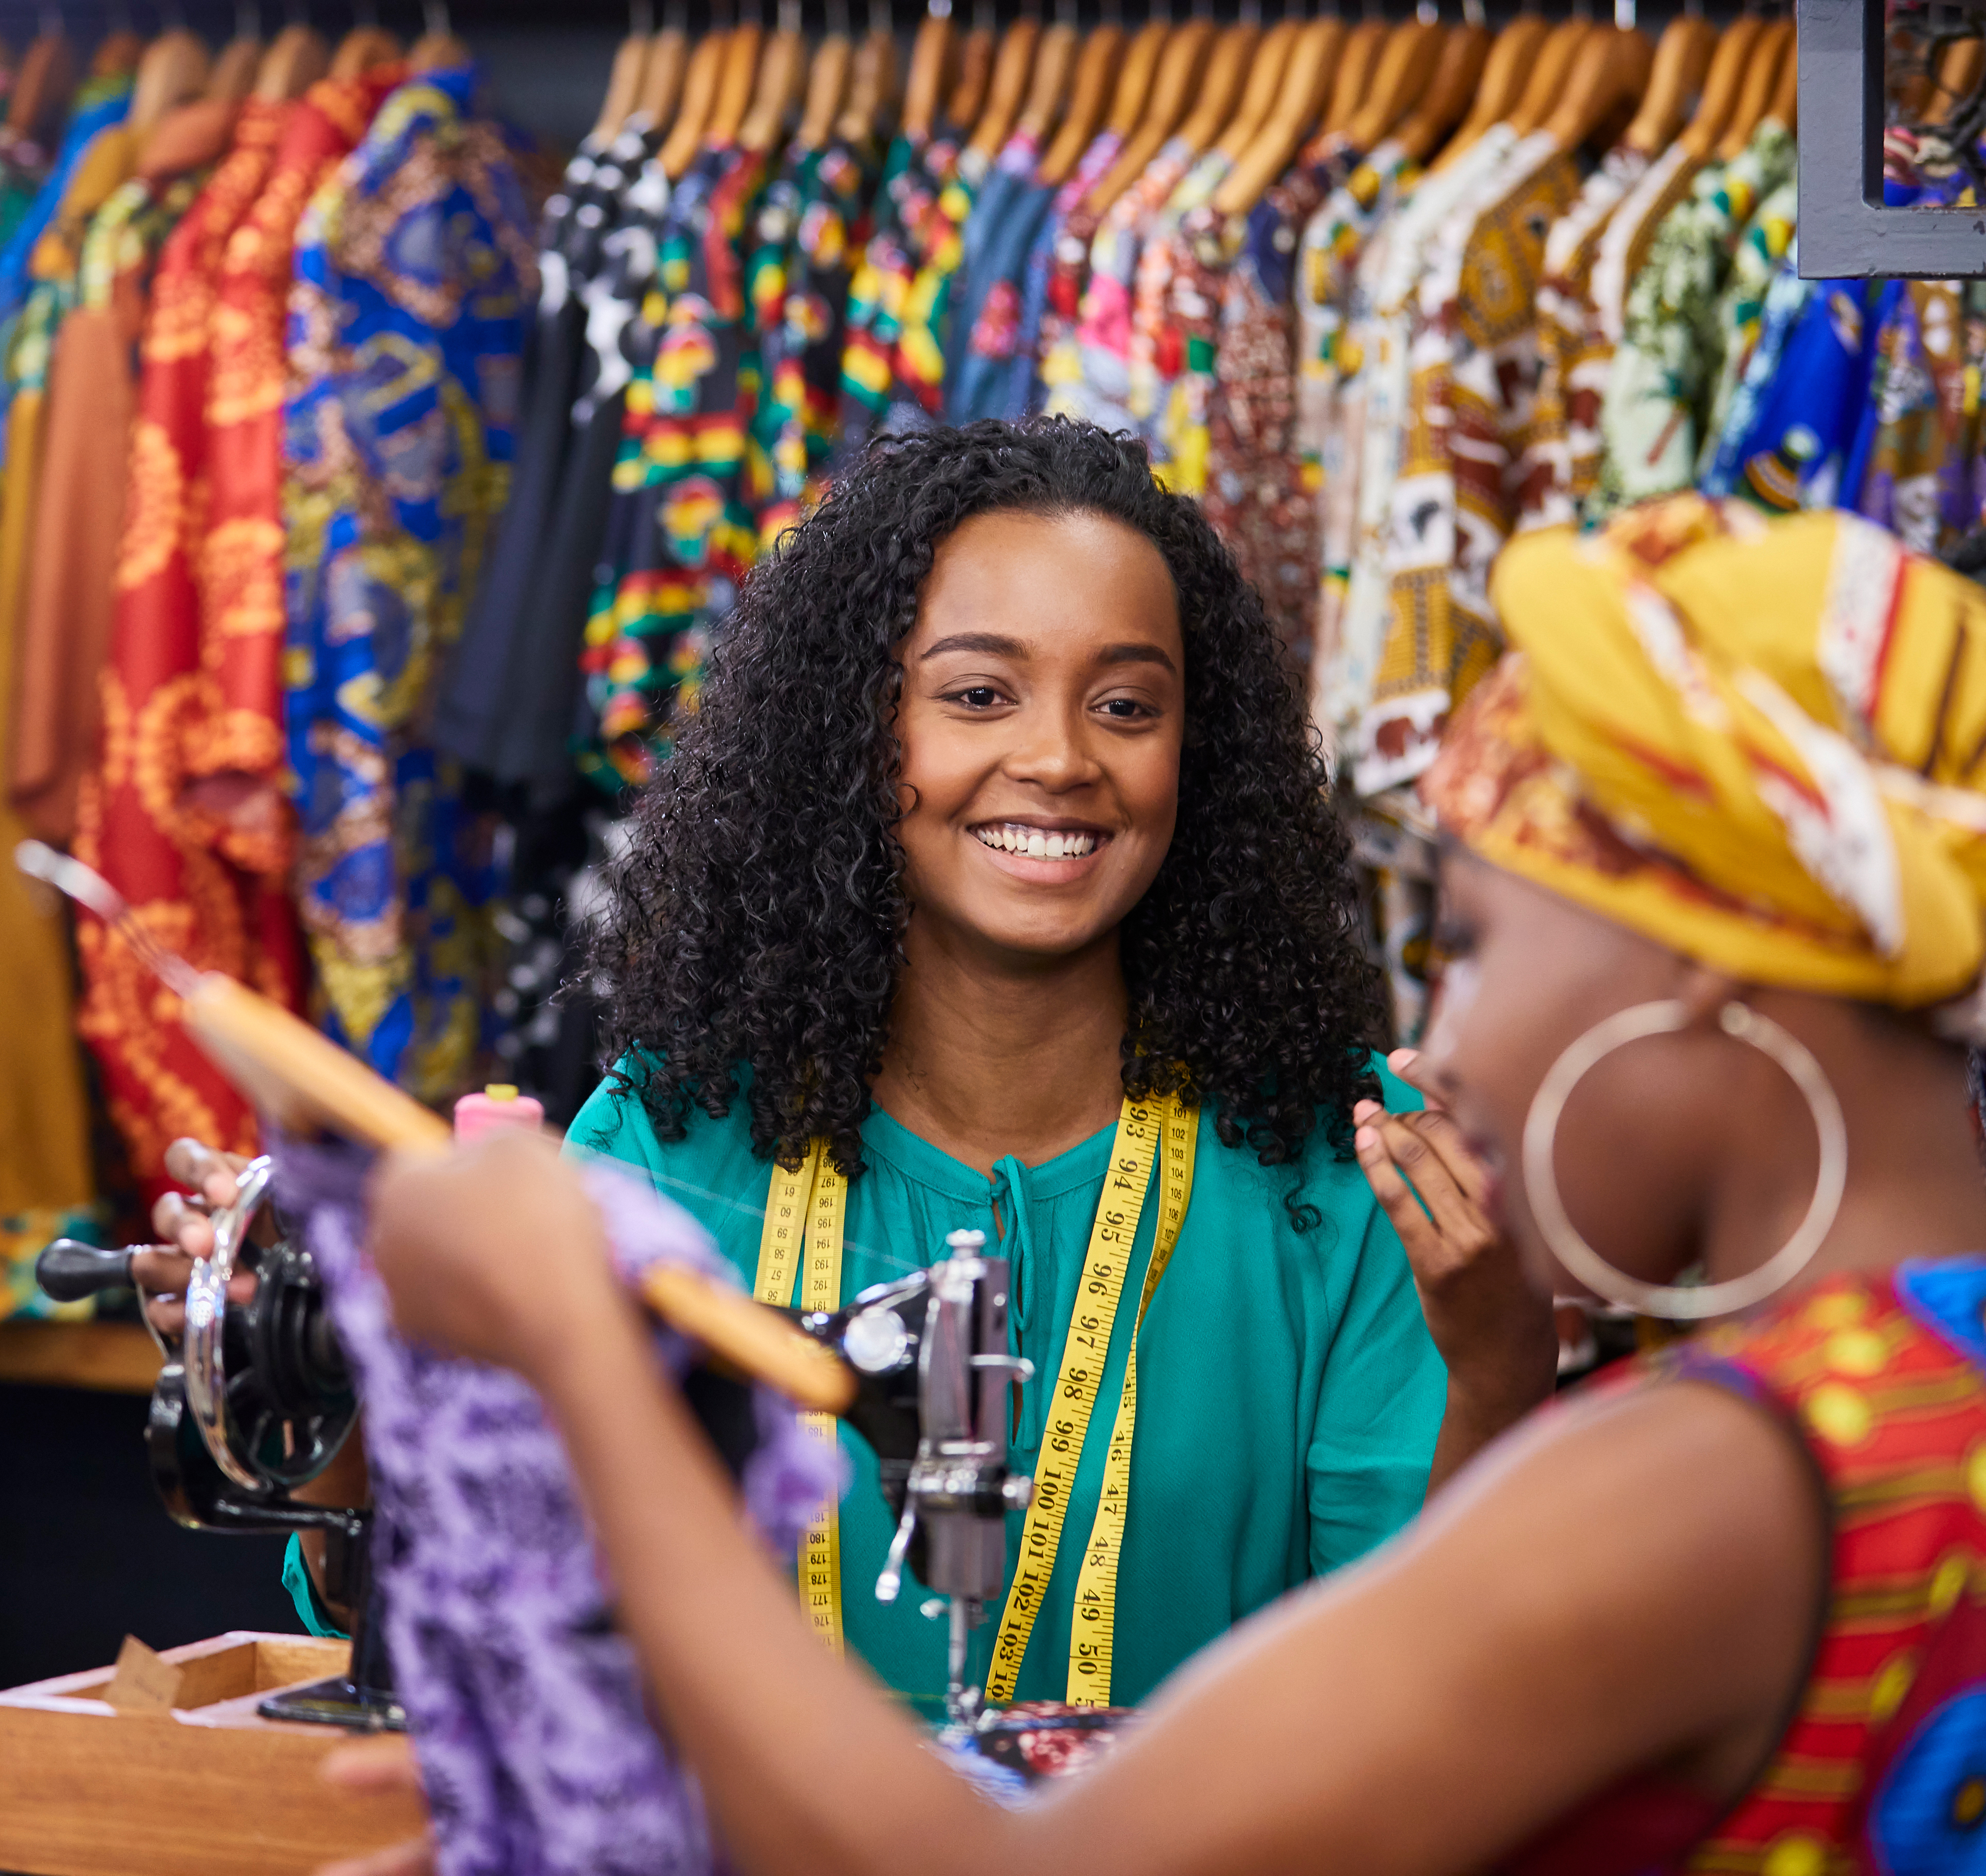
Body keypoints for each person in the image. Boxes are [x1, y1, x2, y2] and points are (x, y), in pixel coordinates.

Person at [357, 495, 1986, 1873]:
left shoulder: (1720, 1482)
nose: (1450, 1044)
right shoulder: (1905, 1400)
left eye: (1474, 943)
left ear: (1706, 958)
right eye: (976, 694)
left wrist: (575, 1346)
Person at [144, 417, 1553, 1719]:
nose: (1060, 757)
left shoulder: (1339, 1165)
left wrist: (1496, 1365)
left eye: (1127, 707)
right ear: (852, 731)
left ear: (1203, 750)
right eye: (979, 694)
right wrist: (320, 1367)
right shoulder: (670, 1144)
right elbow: (476, 1617)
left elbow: (1432, 1682)